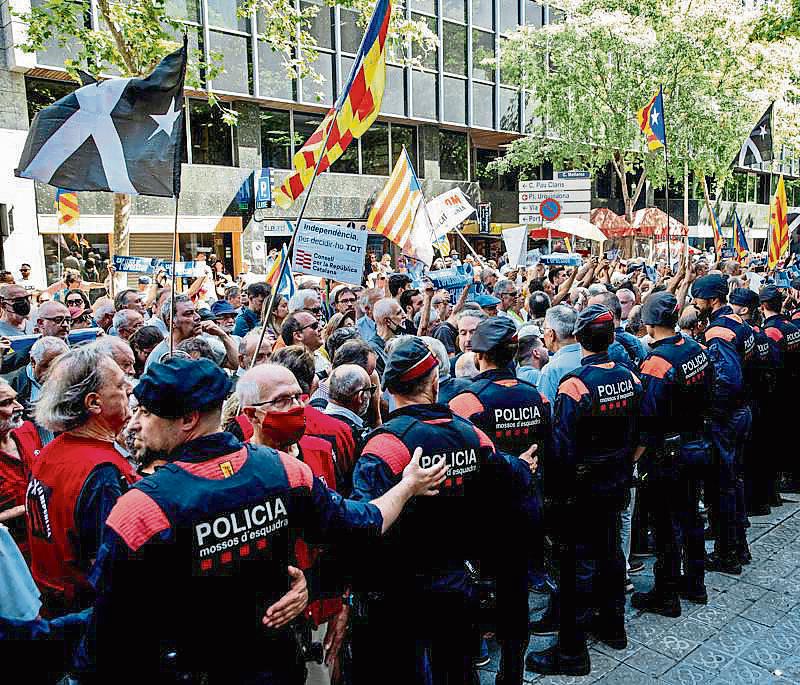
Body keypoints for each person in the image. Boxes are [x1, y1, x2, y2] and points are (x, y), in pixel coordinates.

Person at [350, 337, 535, 685]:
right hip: (457, 580)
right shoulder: (470, 435)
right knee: (458, 669)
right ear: (435, 383)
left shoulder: (385, 445)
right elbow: (508, 476)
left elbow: (366, 524)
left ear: (387, 389)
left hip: (400, 590)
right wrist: (523, 466)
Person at [527, 305, 641, 676]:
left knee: (574, 567)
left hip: (581, 488)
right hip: (616, 482)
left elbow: (561, 447)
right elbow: (642, 429)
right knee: (610, 555)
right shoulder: (630, 377)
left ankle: (572, 652)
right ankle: (613, 627)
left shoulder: (574, 385)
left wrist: (555, 496)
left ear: (578, 338)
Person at [26, 346, 136, 614]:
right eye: (121, 386)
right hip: (89, 614)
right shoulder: (103, 471)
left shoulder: (51, 451)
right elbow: (112, 565)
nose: (130, 388)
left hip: (52, 605)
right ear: (94, 403)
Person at [630, 292, 714, 617]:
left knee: (666, 524)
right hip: (696, 444)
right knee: (691, 516)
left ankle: (666, 593)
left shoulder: (656, 363)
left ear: (649, 324)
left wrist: (634, 458)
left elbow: (648, 420)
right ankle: (695, 582)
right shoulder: (696, 349)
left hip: (667, 454)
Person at [692, 274, 752, 574]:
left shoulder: (719, 330)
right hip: (741, 413)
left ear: (712, 299)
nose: (694, 303)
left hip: (727, 418)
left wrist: (712, 414)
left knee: (723, 485)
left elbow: (727, 378)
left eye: (697, 298)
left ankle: (728, 553)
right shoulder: (738, 322)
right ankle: (738, 546)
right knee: (733, 482)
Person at [449, 317, 550, 461]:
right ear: (513, 354)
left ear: (479, 355)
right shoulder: (539, 397)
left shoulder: (464, 403)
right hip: (532, 478)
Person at [759, 285, 800, 493]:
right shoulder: (792, 326)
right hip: (794, 388)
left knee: (781, 436)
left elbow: (771, 365)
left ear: (763, 305)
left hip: (780, 392)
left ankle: (786, 479)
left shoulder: (772, 331)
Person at [0, 378, 42, 552]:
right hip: (11, 554)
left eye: (15, 399)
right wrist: (20, 510)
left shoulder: (27, 431)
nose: (20, 407)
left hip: (46, 545)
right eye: (7, 403)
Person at [537, 305, 581, 404]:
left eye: (543, 329)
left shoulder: (551, 370)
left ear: (551, 334)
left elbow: (547, 412)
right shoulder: (590, 357)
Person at [368, 298, 409, 376]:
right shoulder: (373, 350)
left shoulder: (404, 340)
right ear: (387, 321)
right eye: (399, 313)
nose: (405, 316)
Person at [281, 310, 329, 375]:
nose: (320, 328)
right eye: (314, 326)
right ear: (298, 335)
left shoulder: (319, 353)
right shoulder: (290, 365)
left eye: (318, 324)